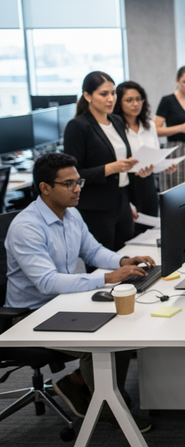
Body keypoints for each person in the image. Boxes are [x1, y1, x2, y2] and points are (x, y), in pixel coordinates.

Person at [4, 152, 154, 431]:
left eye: (79, 181)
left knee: (125, 322)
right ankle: (108, 407)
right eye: (69, 183)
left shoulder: (71, 214)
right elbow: (47, 283)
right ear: (45, 188)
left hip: (64, 302)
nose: (78, 189)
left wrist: (122, 261)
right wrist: (108, 277)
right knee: (104, 337)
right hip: (30, 314)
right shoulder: (27, 228)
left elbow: (92, 250)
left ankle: (78, 384)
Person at [63, 71, 152, 252]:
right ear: (87, 96)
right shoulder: (78, 126)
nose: (110, 99)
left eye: (113, 93)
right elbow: (73, 176)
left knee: (126, 256)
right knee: (101, 264)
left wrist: (137, 171)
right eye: (104, 94)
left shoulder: (117, 121)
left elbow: (122, 165)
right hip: (96, 207)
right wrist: (109, 169)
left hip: (122, 201)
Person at [113, 81, 177, 235]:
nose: (135, 104)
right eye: (129, 100)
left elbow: (154, 153)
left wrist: (164, 166)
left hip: (148, 184)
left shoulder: (149, 125)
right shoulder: (115, 127)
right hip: (126, 184)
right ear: (119, 102)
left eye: (139, 99)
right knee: (130, 232)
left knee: (151, 231)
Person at [154, 66, 185, 191]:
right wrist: (180, 128)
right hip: (175, 148)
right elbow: (155, 130)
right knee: (177, 188)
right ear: (177, 80)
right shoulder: (168, 101)